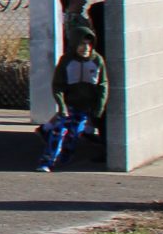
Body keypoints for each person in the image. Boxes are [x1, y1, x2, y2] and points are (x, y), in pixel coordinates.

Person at [37, 24, 109, 171]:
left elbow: (103, 85)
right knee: (60, 131)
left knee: (74, 134)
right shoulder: (67, 61)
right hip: (69, 105)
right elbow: (57, 85)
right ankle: (47, 161)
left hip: (85, 107)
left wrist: (98, 108)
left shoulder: (97, 61)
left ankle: (64, 157)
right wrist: (62, 106)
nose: (85, 48)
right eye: (82, 44)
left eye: (88, 45)